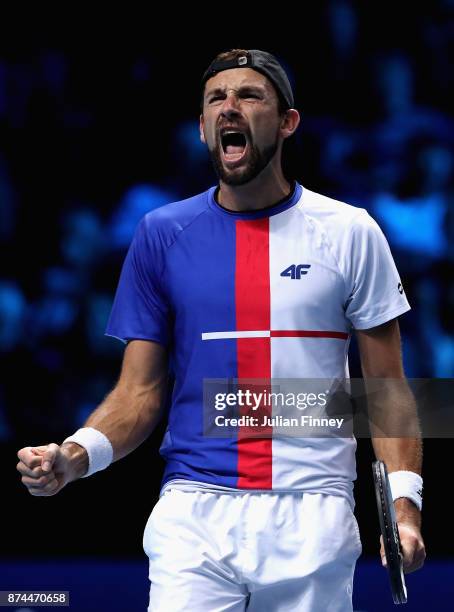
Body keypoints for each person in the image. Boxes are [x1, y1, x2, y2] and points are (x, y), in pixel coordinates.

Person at [17, 49, 426, 611]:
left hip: (314, 514)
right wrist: (75, 454)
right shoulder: (160, 235)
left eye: (249, 95)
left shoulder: (351, 232)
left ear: (287, 122)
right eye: (216, 99)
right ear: (204, 127)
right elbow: (139, 393)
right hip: (194, 514)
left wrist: (404, 510)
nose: (230, 107)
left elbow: (387, 393)